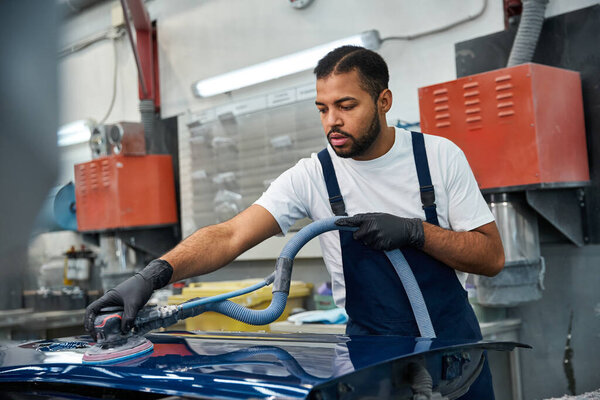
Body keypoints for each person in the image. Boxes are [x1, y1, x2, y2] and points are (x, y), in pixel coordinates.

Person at [85, 46, 504, 398]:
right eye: (322, 108)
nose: (331, 122)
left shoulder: (437, 157)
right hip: (372, 359)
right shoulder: (313, 176)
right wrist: (153, 274)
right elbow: (230, 235)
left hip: (454, 351)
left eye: (346, 106)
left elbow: (490, 256)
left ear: (384, 101)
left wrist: (416, 231)